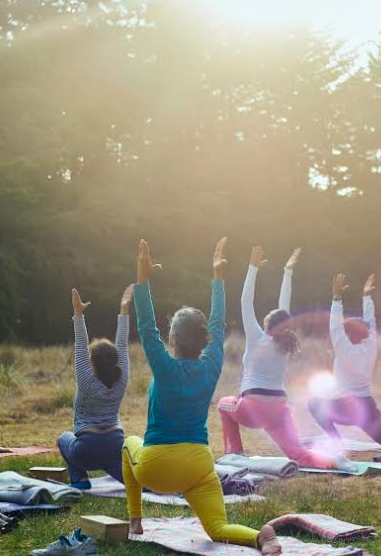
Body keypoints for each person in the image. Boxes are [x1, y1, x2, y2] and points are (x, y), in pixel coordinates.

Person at [123, 238, 281, 555]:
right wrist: (218, 279)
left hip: (157, 468)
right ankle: (259, 536)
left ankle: (135, 521)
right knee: (217, 529)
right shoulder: (211, 366)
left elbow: (145, 326)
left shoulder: (164, 366)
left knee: (128, 441)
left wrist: (142, 281)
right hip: (198, 465)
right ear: (204, 339)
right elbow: (218, 325)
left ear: (172, 338)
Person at [218, 246, 335, 468]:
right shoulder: (285, 343)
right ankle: (336, 461)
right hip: (279, 410)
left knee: (224, 406)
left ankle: (236, 455)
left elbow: (245, 301)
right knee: (298, 453)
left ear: (267, 323)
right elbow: (285, 307)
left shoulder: (257, 337)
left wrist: (252, 268)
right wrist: (287, 272)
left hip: (252, 407)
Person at [308, 273, 381, 448]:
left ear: (351, 334)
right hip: (367, 408)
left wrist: (336, 298)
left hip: (345, 408)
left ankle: (336, 441)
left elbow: (335, 327)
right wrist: (366, 297)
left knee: (314, 403)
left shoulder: (345, 350)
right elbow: (371, 321)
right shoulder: (370, 345)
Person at [57, 285, 131, 489]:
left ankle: (80, 480)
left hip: (86, 450)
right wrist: (124, 311)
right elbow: (123, 345)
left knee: (63, 438)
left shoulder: (86, 380)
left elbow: (80, 344)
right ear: (115, 360)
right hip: (115, 445)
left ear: (92, 361)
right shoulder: (122, 378)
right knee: (138, 482)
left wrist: (78, 315)